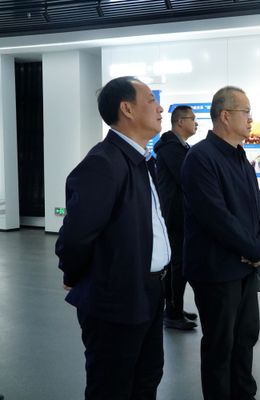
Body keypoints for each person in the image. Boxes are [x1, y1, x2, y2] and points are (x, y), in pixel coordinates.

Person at [55, 76, 169, 398]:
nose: (160, 108)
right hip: (116, 298)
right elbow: (76, 235)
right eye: (151, 100)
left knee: (146, 377)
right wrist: (73, 274)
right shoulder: (104, 163)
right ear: (127, 109)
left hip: (149, 290)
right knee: (112, 385)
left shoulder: (142, 161)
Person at [181, 86, 260, 400]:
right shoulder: (200, 158)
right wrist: (254, 249)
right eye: (246, 112)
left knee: (245, 338)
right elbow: (216, 217)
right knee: (220, 345)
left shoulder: (241, 158)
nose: (250, 119)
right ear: (225, 116)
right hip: (216, 270)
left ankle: (244, 394)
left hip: (245, 267)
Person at [155, 105, 198, 330]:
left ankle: (175, 307)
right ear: (180, 122)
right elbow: (187, 177)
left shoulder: (180, 147)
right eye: (192, 118)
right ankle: (172, 312)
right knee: (176, 264)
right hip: (174, 215)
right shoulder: (171, 148)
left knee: (179, 264)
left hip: (179, 214)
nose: (196, 123)